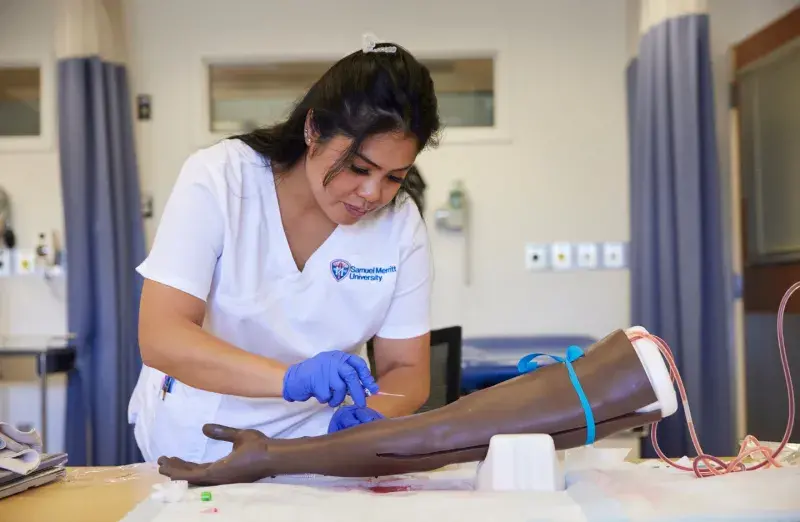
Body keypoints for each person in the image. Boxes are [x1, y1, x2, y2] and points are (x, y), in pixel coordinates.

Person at [128, 37, 441, 464]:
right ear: (313, 129)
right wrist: (290, 379)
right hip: (204, 435)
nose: (371, 193)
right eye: (358, 167)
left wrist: (372, 415)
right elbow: (162, 337)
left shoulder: (399, 224)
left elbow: (407, 370)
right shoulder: (221, 179)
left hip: (322, 443)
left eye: (393, 177)